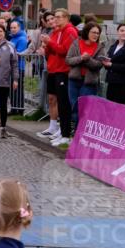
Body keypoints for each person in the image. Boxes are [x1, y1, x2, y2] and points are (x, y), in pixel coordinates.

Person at [39, 8, 78, 146]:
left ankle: (65, 134)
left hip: (64, 70)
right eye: (55, 17)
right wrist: (45, 45)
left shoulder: (70, 31)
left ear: (66, 18)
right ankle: (61, 131)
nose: (56, 19)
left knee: (64, 103)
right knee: (59, 102)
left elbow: (65, 51)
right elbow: (52, 51)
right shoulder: (58, 31)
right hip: (55, 69)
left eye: (59, 17)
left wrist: (50, 43)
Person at [66, 22, 105, 128]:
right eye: (93, 32)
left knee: (84, 108)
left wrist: (88, 60)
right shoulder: (76, 43)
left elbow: (98, 65)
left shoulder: (100, 47)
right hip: (74, 80)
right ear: (87, 32)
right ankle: (77, 130)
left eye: (98, 33)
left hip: (89, 82)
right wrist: (81, 58)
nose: (96, 35)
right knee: (74, 106)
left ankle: (81, 132)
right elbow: (68, 60)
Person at [102, 23, 125, 104]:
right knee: (110, 106)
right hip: (112, 81)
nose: (124, 33)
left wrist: (111, 65)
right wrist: (106, 63)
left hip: (124, 83)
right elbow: (109, 64)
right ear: (117, 32)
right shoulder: (113, 46)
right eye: (121, 30)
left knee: (121, 108)